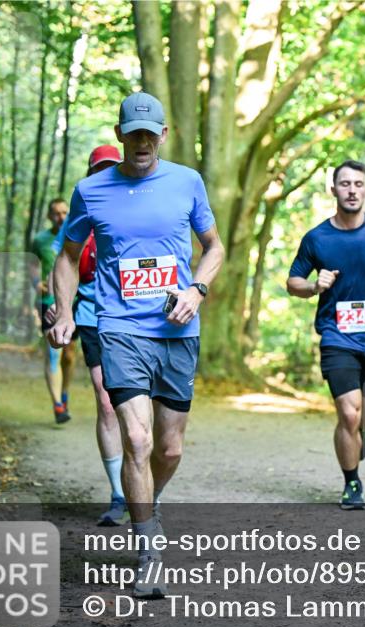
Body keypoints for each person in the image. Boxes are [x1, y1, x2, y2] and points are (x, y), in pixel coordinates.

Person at [48, 92, 223, 599]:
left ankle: (148, 501)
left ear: (163, 135)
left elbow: (214, 247)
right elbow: (68, 257)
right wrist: (63, 313)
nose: (143, 142)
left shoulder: (187, 182)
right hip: (120, 328)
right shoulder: (91, 190)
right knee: (138, 441)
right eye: (134, 133)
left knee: (169, 448)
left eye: (151, 133)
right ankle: (148, 552)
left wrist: (196, 288)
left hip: (177, 331)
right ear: (121, 135)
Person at [287, 160, 365, 510]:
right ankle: (352, 482)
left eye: (358, 184)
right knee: (348, 412)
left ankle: (359, 433)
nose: (352, 190)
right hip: (337, 338)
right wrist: (314, 285)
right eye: (344, 184)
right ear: (334, 190)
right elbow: (292, 281)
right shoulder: (317, 238)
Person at [49, 145, 129, 527]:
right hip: (93, 314)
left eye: (112, 168)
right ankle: (118, 493)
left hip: (138, 318)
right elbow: (61, 261)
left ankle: (144, 483)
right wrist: (59, 307)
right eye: (100, 169)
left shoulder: (137, 208)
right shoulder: (81, 213)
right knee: (106, 400)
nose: (106, 174)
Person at [31, 198, 73, 424]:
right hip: (49, 301)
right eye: (56, 213)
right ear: (49, 216)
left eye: (65, 212)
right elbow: (32, 266)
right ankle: (57, 405)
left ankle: (64, 394)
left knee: (69, 355)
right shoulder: (40, 240)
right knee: (53, 353)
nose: (61, 217)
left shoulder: (77, 234)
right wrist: (36, 283)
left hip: (75, 301)